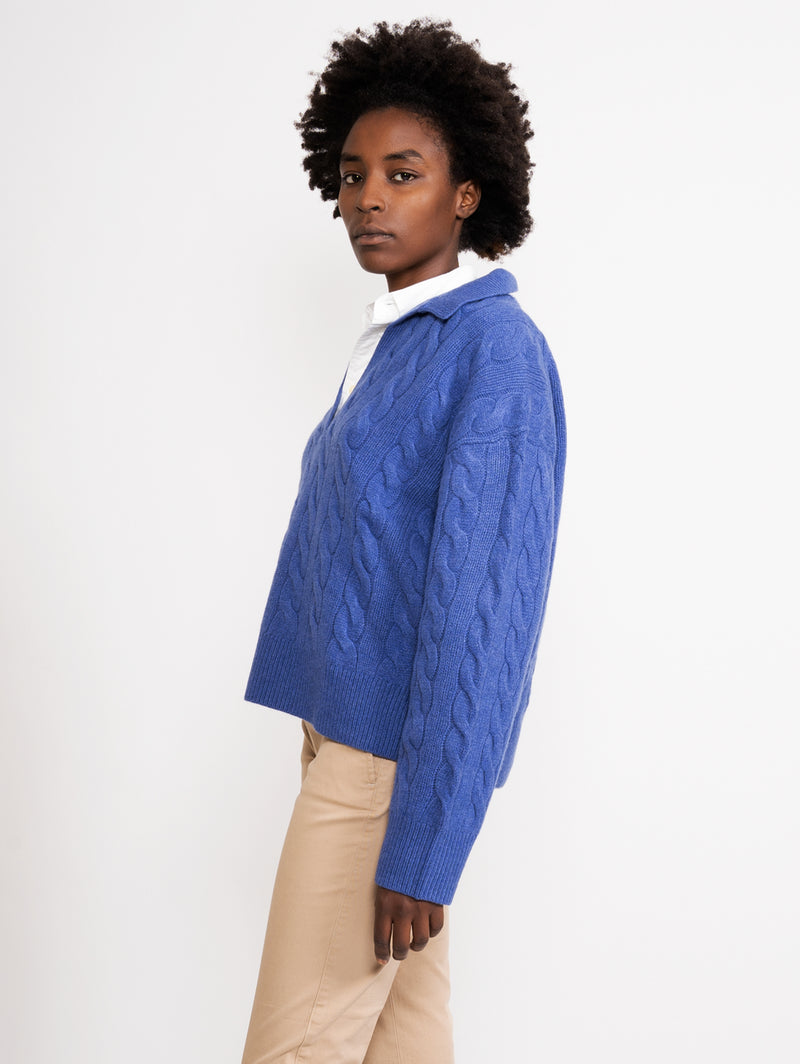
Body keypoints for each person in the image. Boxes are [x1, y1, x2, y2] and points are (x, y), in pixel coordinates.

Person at [241, 19, 566, 1064]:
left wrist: (423, 841)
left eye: (402, 172)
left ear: (465, 194)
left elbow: (484, 621)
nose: (367, 197)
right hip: (347, 745)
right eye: (351, 175)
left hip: (385, 774)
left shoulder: (492, 351)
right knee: (402, 1046)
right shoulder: (400, 340)